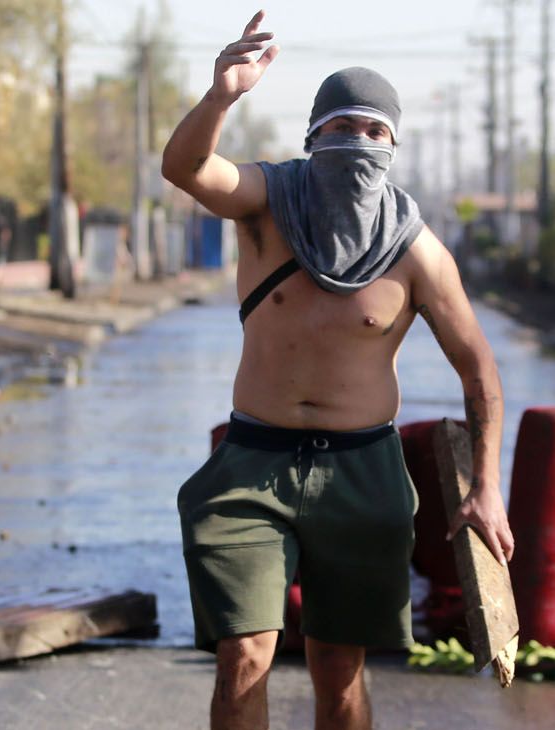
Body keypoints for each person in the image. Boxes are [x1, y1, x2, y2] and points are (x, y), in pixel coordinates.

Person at [162, 12, 512, 730]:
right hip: (252, 463)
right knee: (245, 658)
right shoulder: (268, 202)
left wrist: (487, 486)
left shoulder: (418, 253)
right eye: (342, 128)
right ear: (313, 136)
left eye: (375, 131)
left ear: (394, 147)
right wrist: (221, 97)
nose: (358, 142)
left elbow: (478, 371)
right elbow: (187, 170)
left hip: (363, 472)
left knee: (339, 670)